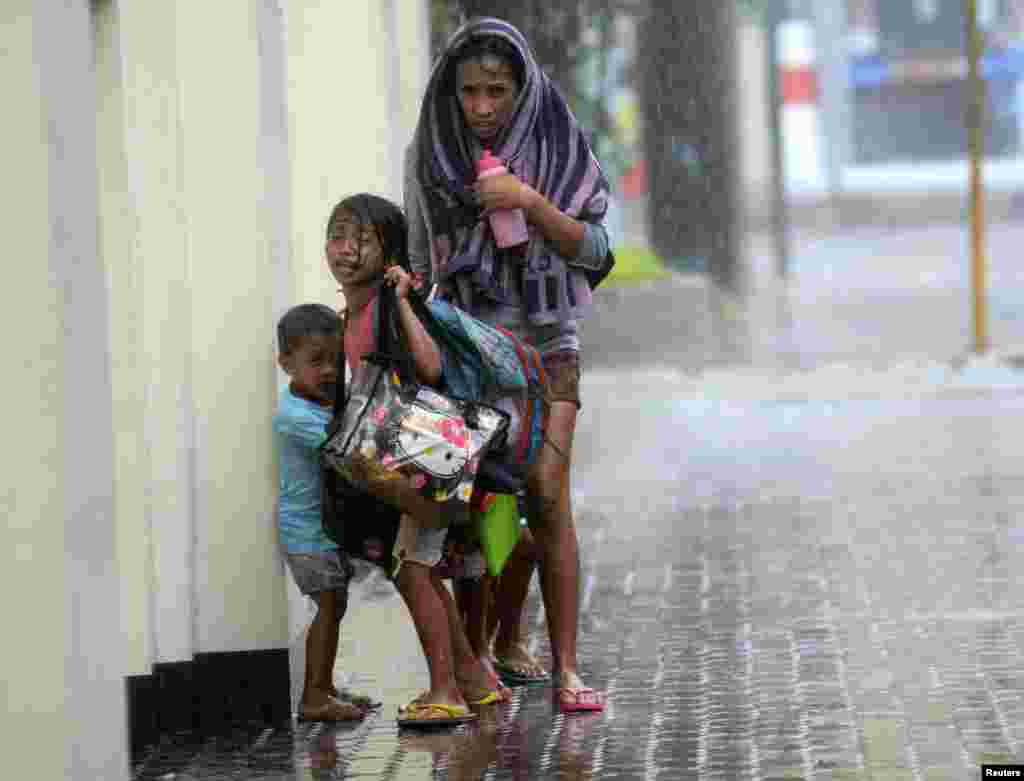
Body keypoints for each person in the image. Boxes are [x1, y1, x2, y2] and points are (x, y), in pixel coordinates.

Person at [405, 17, 610, 712]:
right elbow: (419, 262)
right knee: (482, 508)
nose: (484, 107)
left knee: (548, 495)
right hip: (469, 354)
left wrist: (527, 202)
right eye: (470, 92)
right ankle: (485, 651)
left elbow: (596, 252)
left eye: (497, 90)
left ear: (521, 90)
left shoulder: (555, 140)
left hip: (550, 349)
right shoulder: (434, 154)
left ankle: (568, 669)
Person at [325, 193, 505, 726]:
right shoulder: (353, 313)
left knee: (414, 570)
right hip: (400, 469)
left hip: (423, 461)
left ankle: (445, 690)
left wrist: (403, 301)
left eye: (364, 240)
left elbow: (428, 368)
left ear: (391, 252)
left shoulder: (386, 304)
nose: (348, 250)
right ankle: (475, 681)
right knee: (415, 568)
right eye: (338, 235)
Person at [274, 303, 380, 722]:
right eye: (315, 361)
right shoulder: (295, 416)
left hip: (324, 530)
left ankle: (325, 685)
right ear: (286, 364)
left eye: (336, 360)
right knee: (329, 605)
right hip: (307, 532)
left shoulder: (318, 404)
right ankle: (314, 695)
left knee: (335, 604)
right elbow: (347, 450)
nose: (330, 371)